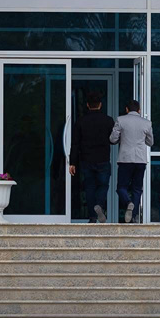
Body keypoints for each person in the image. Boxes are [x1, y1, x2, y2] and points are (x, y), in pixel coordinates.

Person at [69, 91, 116, 223]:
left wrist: (72, 162)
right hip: (103, 159)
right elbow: (113, 140)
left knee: (89, 187)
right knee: (103, 185)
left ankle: (92, 217)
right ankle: (99, 205)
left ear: (88, 105)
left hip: (86, 159)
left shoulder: (81, 121)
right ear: (100, 105)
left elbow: (75, 143)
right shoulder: (108, 120)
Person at [109, 99, 153, 223]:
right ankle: (133, 217)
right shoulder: (147, 123)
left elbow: (112, 139)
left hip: (125, 159)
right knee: (137, 189)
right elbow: (150, 142)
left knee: (121, 187)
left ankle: (128, 203)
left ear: (127, 109)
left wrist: (121, 138)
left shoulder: (121, 120)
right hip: (140, 160)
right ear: (139, 110)